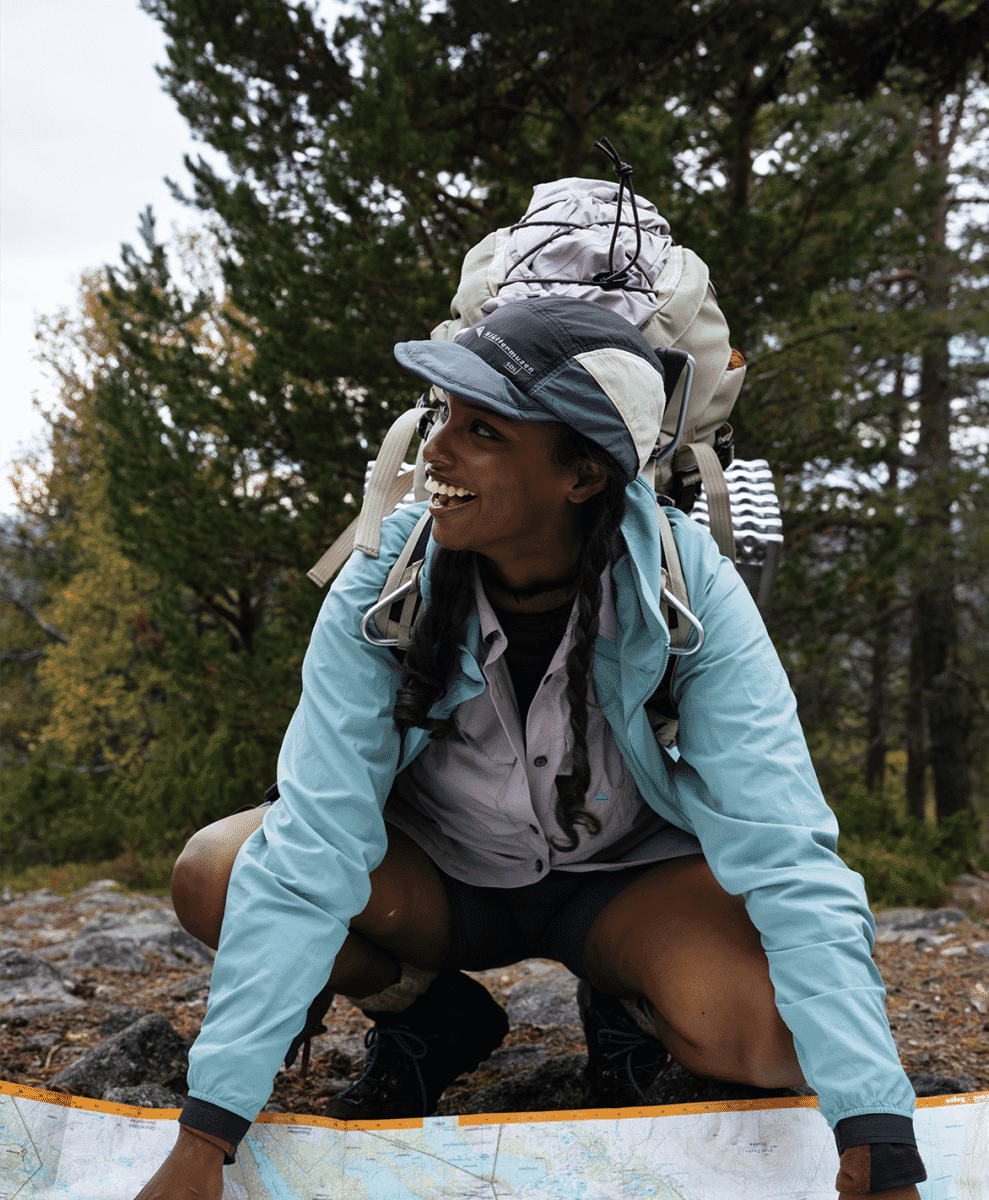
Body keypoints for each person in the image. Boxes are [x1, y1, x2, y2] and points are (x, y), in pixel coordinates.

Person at [134, 297, 926, 1199]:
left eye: (482, 431)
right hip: (442, 880)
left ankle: (629, 999)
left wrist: (873, 1125)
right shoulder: (384, 579)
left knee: (760, 1038)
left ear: (580, 475)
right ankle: (429, 1018)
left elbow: (786, 850)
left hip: (625, 883)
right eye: (440, 416)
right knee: (219, 870)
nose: (434, 451)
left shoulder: (685, 586)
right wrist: (207, 1135)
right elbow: (316, 836)